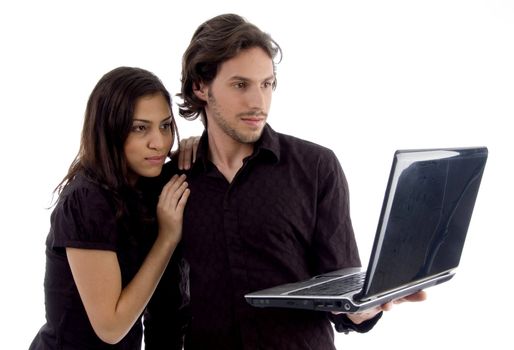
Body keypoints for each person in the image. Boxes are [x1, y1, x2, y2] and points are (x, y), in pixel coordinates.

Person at [144, 14, 426, 350]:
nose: (258, 102)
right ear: (201, 87)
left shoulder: (316, 167)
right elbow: (162, 311)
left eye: (266, 84)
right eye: (240, 85)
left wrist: (363, 309)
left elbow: (340, 289)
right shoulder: (174, 179)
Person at [29, 66, 191, 349]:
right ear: (109, 131)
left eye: (165, 126)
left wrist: (196, 147)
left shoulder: (142, 185)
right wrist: (167, 238)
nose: (159, 143)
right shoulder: (87, 200)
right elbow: (111, 327)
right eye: (140, 128)